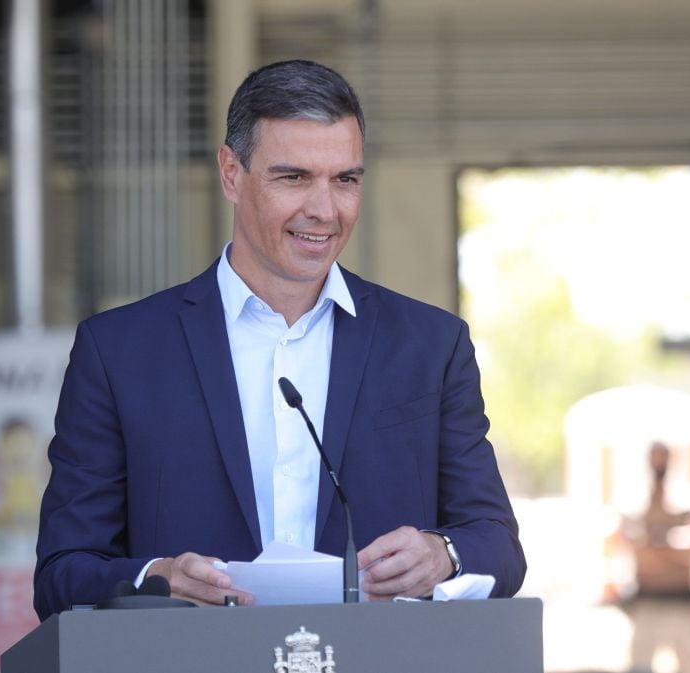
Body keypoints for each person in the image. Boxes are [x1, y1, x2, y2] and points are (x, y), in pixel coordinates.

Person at [33, 59, 526, 618]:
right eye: (293, 177)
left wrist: (443, 554)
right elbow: (61, 574)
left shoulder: (432, 346)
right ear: (230, 174)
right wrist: (155, 579)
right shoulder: (118, 352)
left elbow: (498, 545)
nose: (323, 210)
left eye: (345, 180)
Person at [620, 441, 690, 673]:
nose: (659, 463)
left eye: (663, 457)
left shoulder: (688, 496)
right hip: (647, 602)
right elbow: (629, 543)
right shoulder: (634, 499)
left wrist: (658, 544)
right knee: (640, 666)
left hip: (681, 601)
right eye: (655, 457)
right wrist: (670, 549)